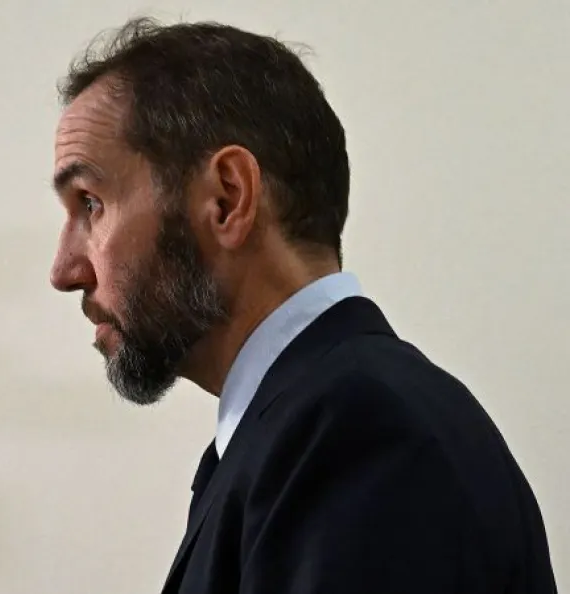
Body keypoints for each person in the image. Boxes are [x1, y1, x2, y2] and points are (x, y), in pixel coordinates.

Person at [48, 17, 557, 594]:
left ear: (227, 199)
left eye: (90, 204)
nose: (64, 271)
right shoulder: (310, 428)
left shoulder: (353, 432)